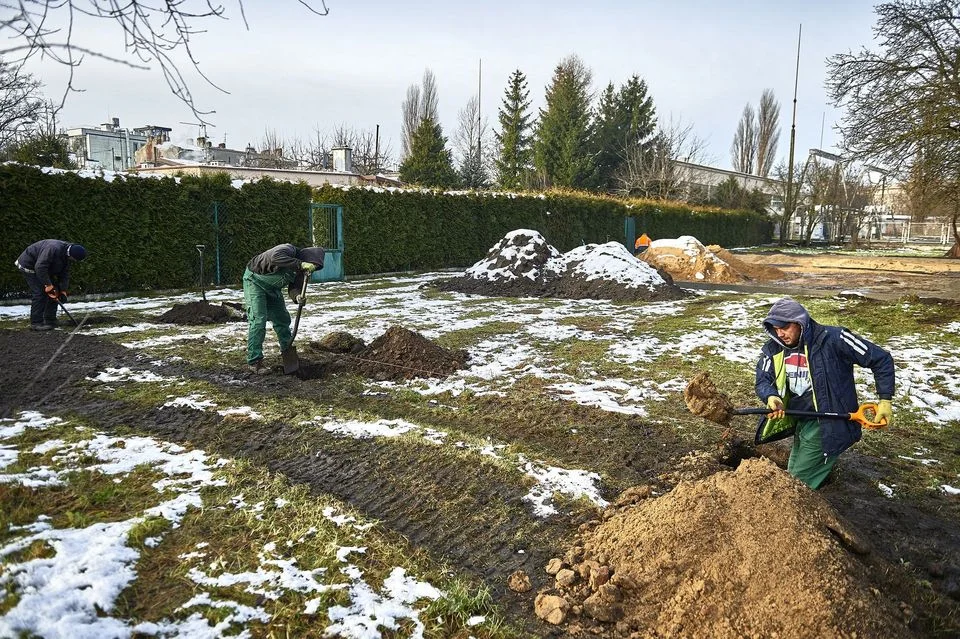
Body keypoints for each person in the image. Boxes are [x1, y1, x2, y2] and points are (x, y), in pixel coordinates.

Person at [754, 297, 895, 489]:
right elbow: (762, 379)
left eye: (785, 327)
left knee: (796, 484)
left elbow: (881, 359)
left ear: (799, 322)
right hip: (801, 419)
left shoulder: (834, 339)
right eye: (775, 329)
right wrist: (771, 396)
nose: (780, 334)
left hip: (829, 422)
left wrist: (885, 399)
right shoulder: (774, 348)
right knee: (793, 474)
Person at [243, 243, 324, 374]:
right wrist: (300, 264)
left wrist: (298, 297)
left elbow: (294, 289)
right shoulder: (287, 249)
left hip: (272, 289)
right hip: (254, 282)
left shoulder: (302, 271)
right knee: (258, 320)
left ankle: (288, 355)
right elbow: (276, 257)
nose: (309, 270)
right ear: (306, 259)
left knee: (282, 319)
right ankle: (255, 361)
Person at [15, 239, 87, 331]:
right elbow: (40, 267)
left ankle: (50, 320)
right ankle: (36, 323)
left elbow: (65, 273)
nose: (74, 261)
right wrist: (48, 285)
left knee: (55, 290)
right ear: (71, 256)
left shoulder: (67, 254)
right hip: (28, 265)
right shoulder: (53, 248)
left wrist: (63, 291)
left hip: (43, 268)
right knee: (40, 293)